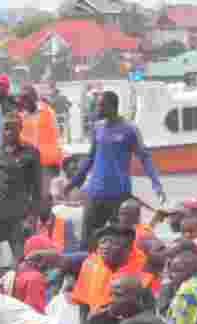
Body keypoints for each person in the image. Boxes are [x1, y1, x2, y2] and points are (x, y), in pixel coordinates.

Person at [67, 91, 166, 250]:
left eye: (100, 105)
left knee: (121, 242)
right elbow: (90, 158)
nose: (97, 109)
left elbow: (144, 157)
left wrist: (156, 185)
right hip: (95, 194)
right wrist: (71, 184)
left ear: (112, 107)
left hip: (119, 196)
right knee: (87, 242)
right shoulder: (97, 128)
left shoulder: (129, 129)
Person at [0, 112, 43, 264]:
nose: (8, 132)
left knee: (20, 257)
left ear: (20, 129)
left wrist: (32, 217)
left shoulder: (31, 152)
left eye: (13, 128)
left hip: (17, 214)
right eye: (6, 128)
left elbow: (36, 188)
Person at [70, 222, 152, 324]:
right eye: (103, 241)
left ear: (128, 248)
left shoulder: (142, 268)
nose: (105, 246)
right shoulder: (90, 264)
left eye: (112, 242)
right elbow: (84, 305)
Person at [18, 84, 63, 198]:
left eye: (26, 97)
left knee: (45, 197)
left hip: (46, 163)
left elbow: (57, 136)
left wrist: (59, 160)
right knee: (30, 197)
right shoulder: (21, 116)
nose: (24, 100)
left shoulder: (48, 112)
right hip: (28, 163)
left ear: (34, 97)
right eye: (22, 98)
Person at [5, 234, 60, 313]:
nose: (50, 264)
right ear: (41, 258)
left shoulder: (17, 272)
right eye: (50, 259)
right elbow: (35, 315)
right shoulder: (35, 278)